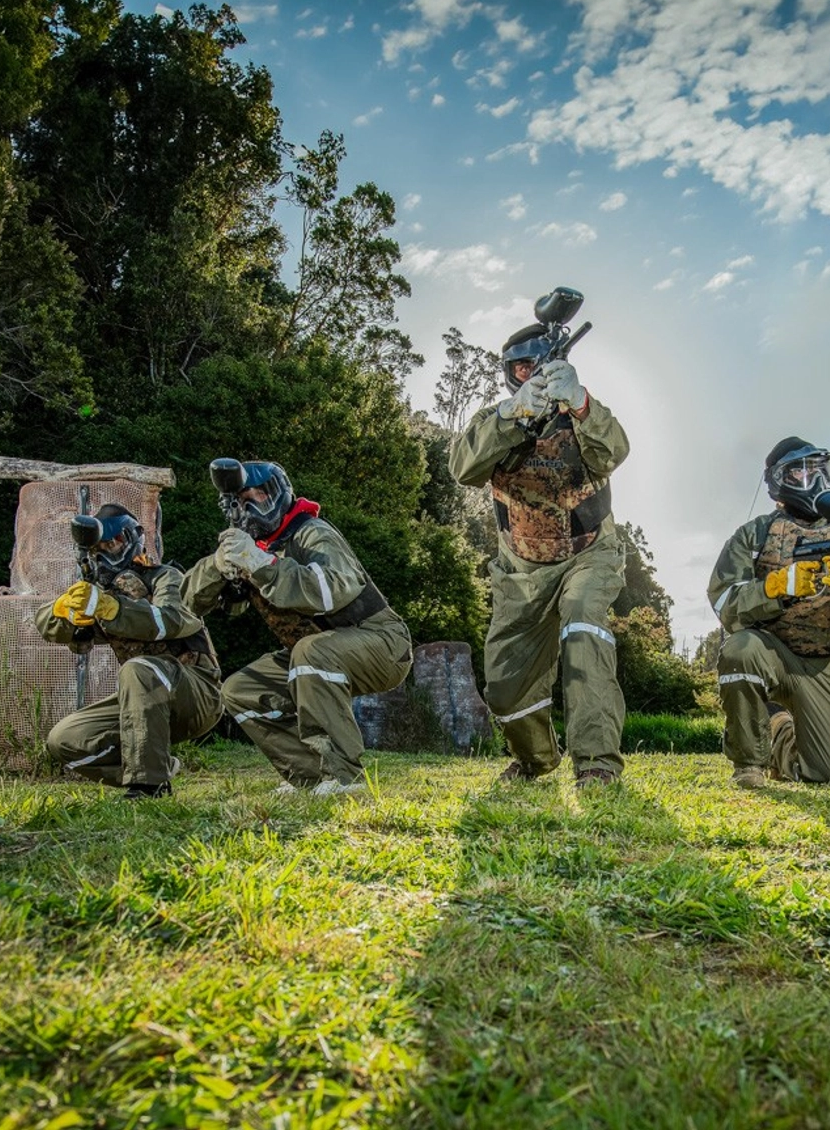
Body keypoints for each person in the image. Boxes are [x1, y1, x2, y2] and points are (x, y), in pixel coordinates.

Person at [448, 311, 630, 788]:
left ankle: (596, 763)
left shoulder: (582, 416)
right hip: (520, 568)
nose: (533, 377)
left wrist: (582, 402)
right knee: (505, 684)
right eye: (522, 370)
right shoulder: (495, 420)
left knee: (583, 622)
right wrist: (512, 415)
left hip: (588, 554)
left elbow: (615, 452)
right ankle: (535, 759)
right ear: (512, 376)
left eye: (541, 367)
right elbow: (463, 468)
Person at [180, 459, 412, 797]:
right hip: (317, 653)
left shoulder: (311, 532)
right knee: (240, 691)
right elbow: (189, 606)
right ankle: (311, 777)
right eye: (242, 500)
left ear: (279, 493)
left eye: (258, 495)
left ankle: (345, 777)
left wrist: (264, 565)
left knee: (309, 650)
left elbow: (333, 586)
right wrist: (216, 567)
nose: (250, 506)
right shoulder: (249, 550)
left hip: (383, 642)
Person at [706, 437, 830, 788]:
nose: (816, 481)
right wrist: (773, 589)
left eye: (822, 471)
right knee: (739, 649)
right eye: (803, 474)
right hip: (771, 654)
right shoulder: (755, 535)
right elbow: (724, 603)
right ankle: (749, 763)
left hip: (827, 664)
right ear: (779, 482)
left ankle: (780, 738)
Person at [37, 503, 221, 799]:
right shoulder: (99, 592)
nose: (106, 551)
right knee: (65, 741)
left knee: (138, 669)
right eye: (99, 547)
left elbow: (173, 619)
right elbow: (54, 630)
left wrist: (114, 609)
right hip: (144, 703)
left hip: (197, 694)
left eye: (113, 542)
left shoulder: (165, 577)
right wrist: (63, 612)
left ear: (131, 539)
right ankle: (157, 764)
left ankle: (150, 785)